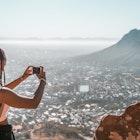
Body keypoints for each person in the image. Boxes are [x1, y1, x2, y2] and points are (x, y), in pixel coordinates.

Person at [0, 48, 46, 140]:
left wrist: (22, 77)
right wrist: (43, 81)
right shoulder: (2, 93)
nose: (2, 71)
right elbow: (33, 103)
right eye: (2, 67)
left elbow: (5, 90)